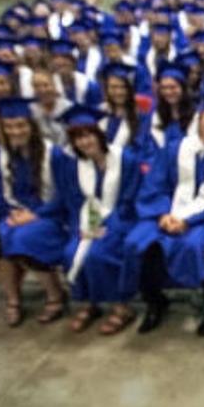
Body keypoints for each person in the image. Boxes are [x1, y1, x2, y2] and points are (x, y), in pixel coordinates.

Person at [127, 93, 204, 334]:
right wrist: (163, 215)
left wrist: (189, 221)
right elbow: (156, 185)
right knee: (138, 241)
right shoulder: (174, 149)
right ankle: (154, 301)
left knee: (196, 244)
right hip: (165, 214)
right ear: (199, 118)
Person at [0, 97, 72, 327]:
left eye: (21, 125)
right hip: (18, 215)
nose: (16, 131)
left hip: (51, 217)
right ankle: (13, 299)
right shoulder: (3, 155)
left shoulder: (54, 155)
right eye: (10, 126)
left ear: (31, 126)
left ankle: (55, 295)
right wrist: (12, 213)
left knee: (25, 239)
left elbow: (65, 195)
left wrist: (36, 215)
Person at [58, 105, 141, 335]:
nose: (84, 143)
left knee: (97, 253)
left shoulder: (126, 160)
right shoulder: (74, 166)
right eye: (77, 139)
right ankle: (88, 303)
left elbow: (131, 200)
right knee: (70, 252)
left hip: (122, 220)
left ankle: (121, 306)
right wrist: (81, 228)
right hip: (88, 222)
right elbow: (73, 201)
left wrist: (108, 227)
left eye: (87, 135)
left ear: (98, 134)